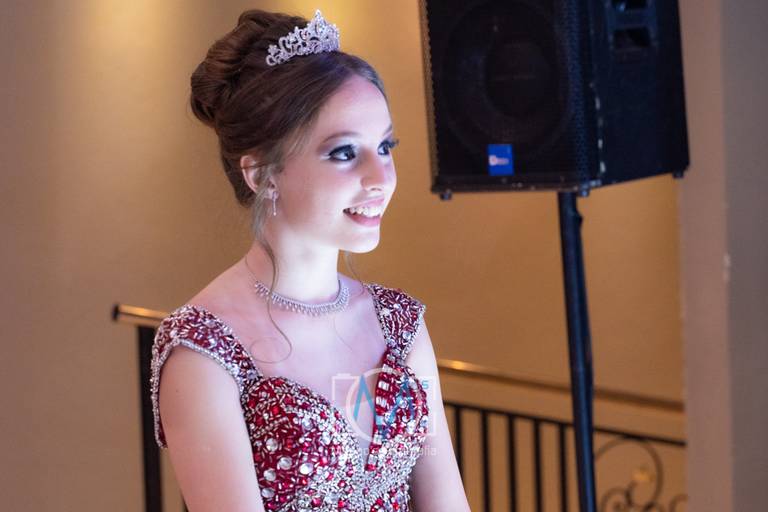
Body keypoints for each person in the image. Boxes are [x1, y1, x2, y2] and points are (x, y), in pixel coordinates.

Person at [150, 8, 470, 511]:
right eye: (344, 152)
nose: (381, 178)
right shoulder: (204, 349)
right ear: (261, 174)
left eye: (385, 146)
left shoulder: (398, 323)